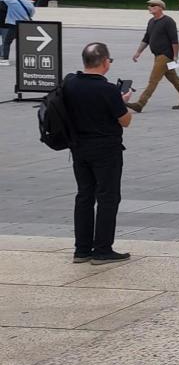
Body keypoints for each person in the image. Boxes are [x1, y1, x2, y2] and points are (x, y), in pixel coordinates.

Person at [64, 42, 135, 264]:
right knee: (107, 196)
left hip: (78, 147)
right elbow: (125, 121)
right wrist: (123, 102)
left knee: (84, 195)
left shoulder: (70, 83)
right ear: (105, 62)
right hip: (106, 149)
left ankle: (82, 249)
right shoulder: (108, 90)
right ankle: (103, 249)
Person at [128, 0, 179, 111]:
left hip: (165, 56)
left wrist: (175, 56)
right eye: (149, 5)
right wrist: (138, 52)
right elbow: (146, 39)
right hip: (157, 55)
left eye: (153, 5)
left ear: (160, 8)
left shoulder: (168, 21)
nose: (150, 7)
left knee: (153, 80)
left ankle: (140, 104)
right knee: (174, 79)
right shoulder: (151, 21)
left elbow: (174, 40)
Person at [0, 0, 33, 65]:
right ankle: (24, 59)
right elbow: (32, 13)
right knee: (22, 42)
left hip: (13, 24)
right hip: (25, 25)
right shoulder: (29, 3)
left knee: (7, 42)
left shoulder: (12, 1)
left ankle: (5, 60)